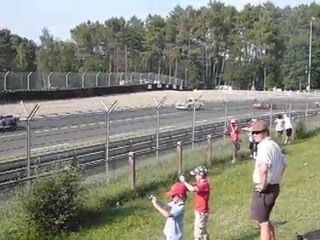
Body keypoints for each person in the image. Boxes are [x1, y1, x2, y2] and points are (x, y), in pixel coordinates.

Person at [250, 120, 286, 240]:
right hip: (274, 186)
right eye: (252, 133)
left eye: (256, 132)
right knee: (265, 219)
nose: (253, 135)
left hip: (266, 189)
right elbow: (283, 164)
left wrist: (263, 185)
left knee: (263, 223)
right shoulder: (274, 145)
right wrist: (277, 177)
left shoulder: (263, 147)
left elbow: (263, 168)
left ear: (265, 132)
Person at [179, 166, 211, 240]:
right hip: (199, 211)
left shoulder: (204, 184)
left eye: (196, 175)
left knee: (198, 235)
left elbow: (193, 189)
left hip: (201, 212)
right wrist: (184, 182)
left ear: (201, 175)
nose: (195, 176)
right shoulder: (199, 183)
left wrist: (184, 182)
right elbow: (190, 186)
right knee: (203, 232)